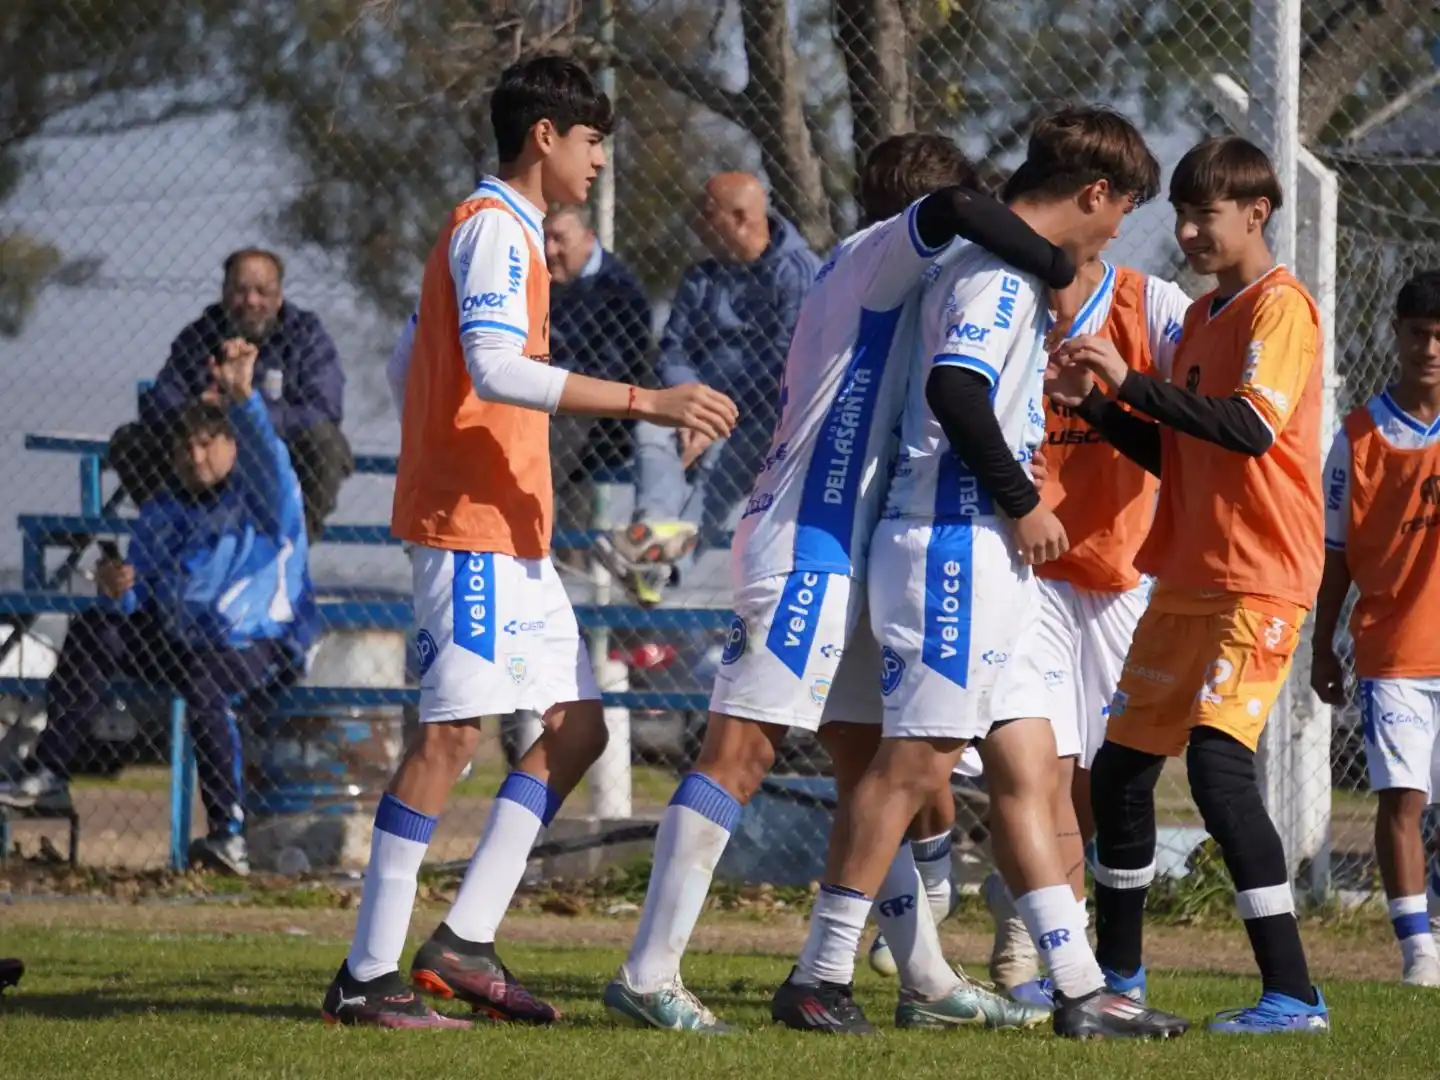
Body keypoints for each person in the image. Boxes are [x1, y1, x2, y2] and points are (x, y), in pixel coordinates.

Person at [601, 132, 1078, 1034]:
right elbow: (959, 212)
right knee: (739, 756)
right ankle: (648, 969)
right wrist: (1057, 264)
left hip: (844, 555)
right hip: (804, 547)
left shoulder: (876, 278)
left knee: (870, 768)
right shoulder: (879, 253)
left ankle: (928, 979)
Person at [321, 55, 736, 1030]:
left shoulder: (498, 233)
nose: (598, 161)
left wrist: (440, 430)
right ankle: (365, 974)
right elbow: (499, 370)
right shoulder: (498, 230)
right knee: (449, 737)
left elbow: (405, 357)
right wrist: (648, 400)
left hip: (515, 534)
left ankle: (462, 943)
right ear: (545, 135)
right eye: (592, 140)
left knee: (579, 727)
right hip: (471, 531)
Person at [774, 106, 1189, 1041]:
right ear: (1093, 193)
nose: (1118, 231)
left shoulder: (993, 265)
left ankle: (1080, 989)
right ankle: (821, 972)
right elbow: (954, 391)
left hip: (986, 556)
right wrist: (1022, 499)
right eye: (1121, 207)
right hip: (954, 541)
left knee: (1027, 767)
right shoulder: (999, 273)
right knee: (912, 759)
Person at [1050, 135, 1330, 1034]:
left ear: (1258, 212)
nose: (1186, 230)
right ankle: (1119, 982)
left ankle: (1294, 992)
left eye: (1204, 213)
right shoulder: (1204, 319)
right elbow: (1176, 452)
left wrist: (1130, 378)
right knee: (1124, 772)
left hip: (1260, 580)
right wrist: (1099, 406)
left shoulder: (1279, 309)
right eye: (1180, 212)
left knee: (1216, 769)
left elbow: (1247, 430)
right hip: (1185, 576)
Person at [869, 257, 1192, 994]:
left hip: (1121, 576)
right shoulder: (998, 294)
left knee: (1101, 782)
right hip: (1033, 572)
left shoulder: (1153, 305)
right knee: (1037, 766)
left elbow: (1193, 409)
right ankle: (1032, 939)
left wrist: (1120, 387)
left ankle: (1081, 941)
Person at [0, 344, 316, 877]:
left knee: (206, 684)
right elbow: (138, 599)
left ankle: (227, 836)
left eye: (208, 443)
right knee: (99, 627)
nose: (197, 457)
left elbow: (268, 451)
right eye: (186, 446)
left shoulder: (265, 499)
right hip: (179, 642)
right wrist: (118, 586)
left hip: (256, 642)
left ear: (231, 445)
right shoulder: (163, 511)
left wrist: (243, 395)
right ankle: (49, 770)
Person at [1312, 270, 1440, 987]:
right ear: (1396, 333)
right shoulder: (1358, 436)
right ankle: (1417, 950)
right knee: (1402, 797)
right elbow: (1335, 554)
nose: (1430, 347)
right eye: (1418, 333)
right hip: (1392, 649)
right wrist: (1323, 642)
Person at [602, 172, 821, 587]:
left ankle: (660, 567)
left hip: (765, 418)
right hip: (698, 408)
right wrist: (692, 407)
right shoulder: (701, 277)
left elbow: (790, 364)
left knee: (726, 461)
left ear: (739, 218)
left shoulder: (798, 272)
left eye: (707, 213)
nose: (697, 223)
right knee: (652, 429)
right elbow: (674, 350)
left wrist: (715, 414)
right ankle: (649, 541)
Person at [110, 249, 352, 543]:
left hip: (274, 460)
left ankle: (291, 546)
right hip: (204, 457)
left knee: (327, 444)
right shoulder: (200, 335)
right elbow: (159, 399)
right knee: (130, 441)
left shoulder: (307, 336)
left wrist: (245, 412)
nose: (251, 301)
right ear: (224, 292)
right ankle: (179, 540)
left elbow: (324, 409)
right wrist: (198, 410)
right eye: (240, 291)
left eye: (262, 291)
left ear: (279, 296)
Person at [543, 205, 654, 565]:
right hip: (550, 408)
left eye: (560, 238)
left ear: (589, 239)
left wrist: (550, 379)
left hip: (605, 418)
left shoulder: (620, 291)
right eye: (545, 238)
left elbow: (615, 371)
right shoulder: (539, 283)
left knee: (547, 445)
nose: (549, 249)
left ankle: (554, 559)